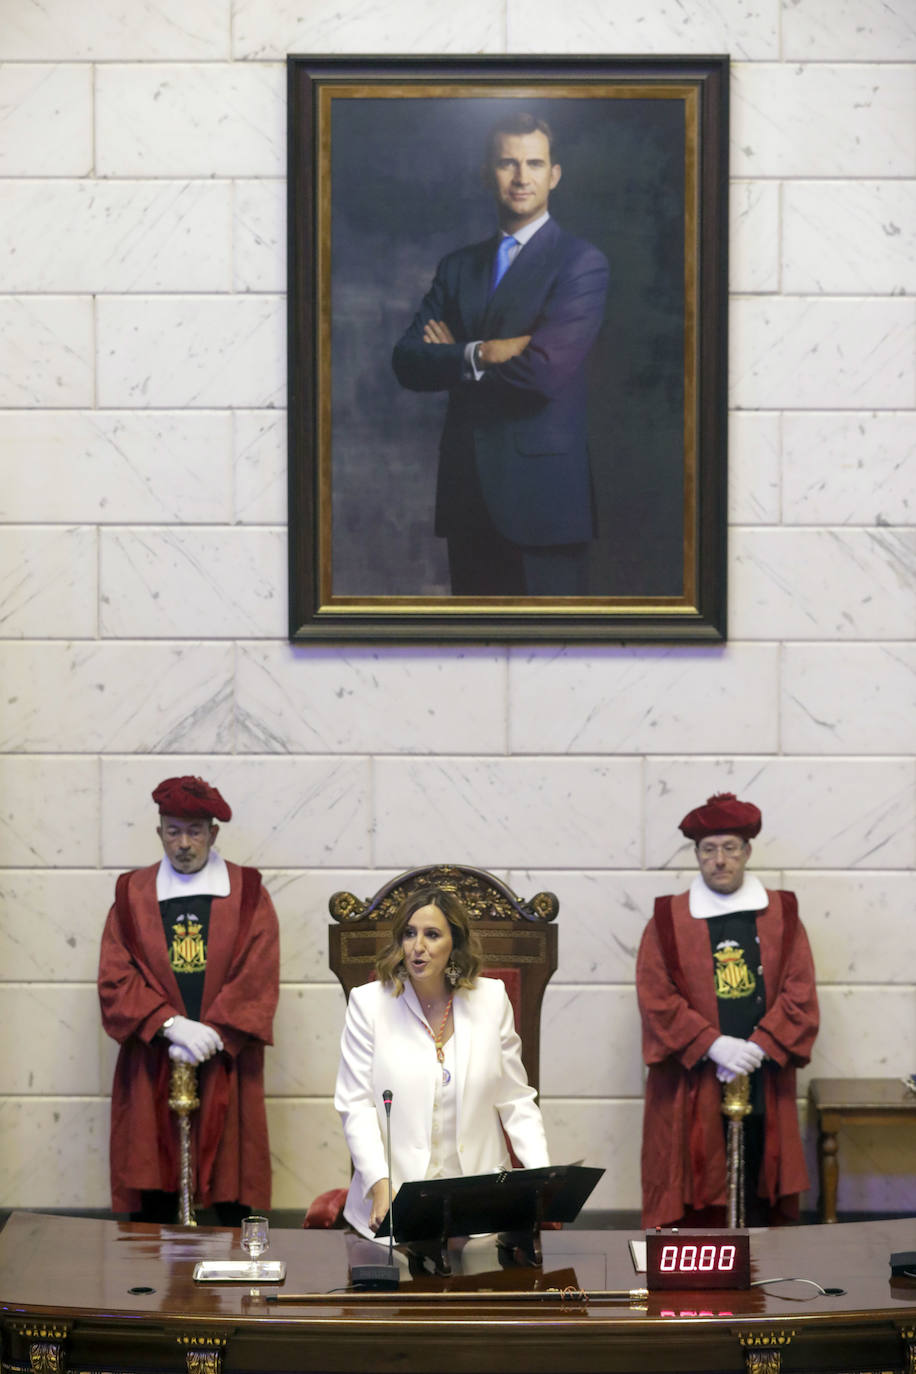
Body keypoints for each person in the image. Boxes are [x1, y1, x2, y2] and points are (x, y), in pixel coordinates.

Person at [392, 111, 609, 597]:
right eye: (507, 163)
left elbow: (543, 375)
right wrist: (483, 352)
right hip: (467, 496)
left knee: (552, 664)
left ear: (553, 175)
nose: (521, 176)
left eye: (534, 163)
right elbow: (406, 360)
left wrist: (452, 358)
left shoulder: (581, 263)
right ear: (487, 174)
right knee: (473, 660)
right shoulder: (457, 266)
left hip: (544, 504)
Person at [98, 775, 280, 1225]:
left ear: (213, 833)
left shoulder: (248, 892)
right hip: (154, 1060)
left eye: (195, 831)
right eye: (174, 830)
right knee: (152, 1186)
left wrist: (213, 1033)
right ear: (159, 830)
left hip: (223, 1062)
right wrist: (169, 1025)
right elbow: (114, 976)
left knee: (229, 1187)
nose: (184, 843)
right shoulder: (131, 894)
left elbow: (258, 975)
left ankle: (236, 1286)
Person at [636, 792, 819, 1228]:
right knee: (695, 1181)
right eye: (709, 849)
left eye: (730, 848)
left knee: (760, 1179)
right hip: (693, 1077)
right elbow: (655, 996)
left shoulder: (782, 914)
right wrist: (713, 1045)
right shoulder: (667, 918)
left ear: (747, 851)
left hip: (764, 1073)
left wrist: (759, 1046)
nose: (720, 859)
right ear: (696, 854)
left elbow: (800, 989)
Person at [334, 885, 550, 1239]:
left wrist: (542, 1176)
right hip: (395, 1206)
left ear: (455, 944)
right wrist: (379, 1184)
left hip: (481, 1208)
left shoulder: (491, 999)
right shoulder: (368, 1004)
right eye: (409, 934)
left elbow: (515, 1099)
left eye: (432, 935)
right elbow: (355, 1105)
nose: (417, 947)